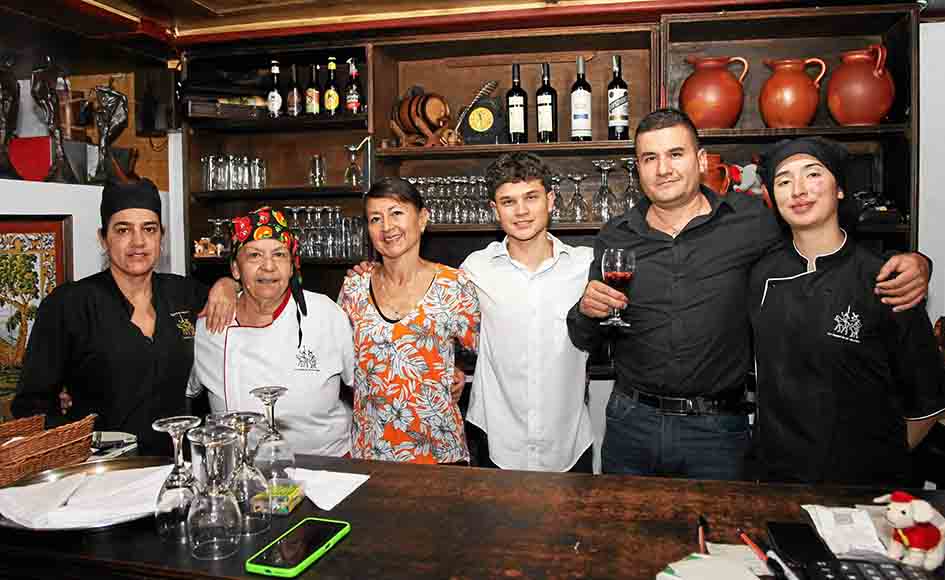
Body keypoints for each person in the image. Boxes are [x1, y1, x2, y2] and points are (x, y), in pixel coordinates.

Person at [566, 108, 930, 480]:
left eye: (676, 154)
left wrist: (915, 261)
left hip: (718, 432)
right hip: (632, 423)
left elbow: (820, 238)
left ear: (701, 160)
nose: (663, 169)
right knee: (628, 534)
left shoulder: (752, 220)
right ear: (637, 168)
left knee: (724, 536)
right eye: (650, 158)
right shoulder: (616, 236)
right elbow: (584, 335)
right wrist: (586, 312)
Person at [749, 137, 945, 485]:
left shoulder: (887, 276)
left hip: (864, 486)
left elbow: (927, 399)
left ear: (839, 189)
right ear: (772, 198)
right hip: (776, 479)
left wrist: (878, 461)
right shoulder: (761, 274)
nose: (798, 190)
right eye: (783, 181)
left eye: (812, 175)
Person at [12, 179, 237, 455]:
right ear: (103, 238)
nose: (138, 241)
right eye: (123, 230)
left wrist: (228, 284)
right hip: (104, 472)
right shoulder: (68, 304)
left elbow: (243, 298)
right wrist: (75, 448)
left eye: (149, 229)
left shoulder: (185, 293)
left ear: (161, 237)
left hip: (179, 466)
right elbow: (30, 406)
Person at [462, 152, 595, 472]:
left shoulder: (586, 265)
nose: (521, 211)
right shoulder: (475, 268)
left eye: (531, 198)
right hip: (496, 439)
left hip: (568, 442)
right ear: (495, 211)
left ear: (550, 201)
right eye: (508, 202)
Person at [188, 207, 355, 457]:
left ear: (291, 267)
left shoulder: (326, 315)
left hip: (328, 466)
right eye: (254, 255)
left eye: (279, 255)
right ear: (235, 269)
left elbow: (366, 391)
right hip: (240, 472)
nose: (268, 267)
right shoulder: (209, 326)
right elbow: (184, 393)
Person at [338, 177, 480, 465]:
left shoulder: (454, 286)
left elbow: (487, 355)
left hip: (440, 452)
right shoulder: (353, 288)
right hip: (370, 452)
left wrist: (459, 371)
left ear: (423, 219)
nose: (387, 227)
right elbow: (338, 362)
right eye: (375, 218)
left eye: (397, 213)